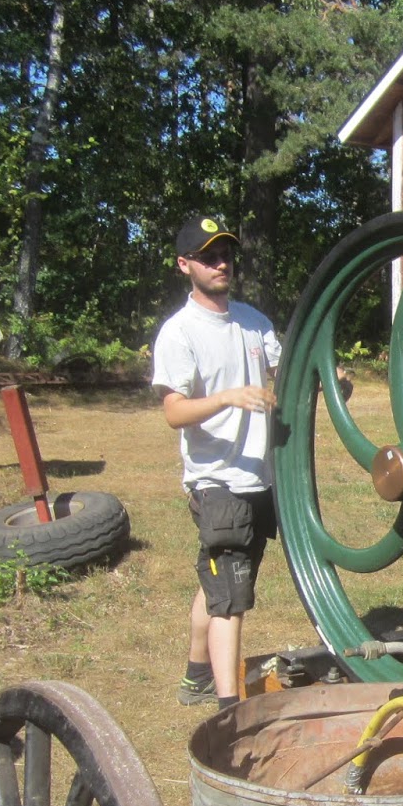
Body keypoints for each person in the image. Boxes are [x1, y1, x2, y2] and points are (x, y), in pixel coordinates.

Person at [152, 215, 280, 711]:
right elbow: (174, 412)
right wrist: (228, 397)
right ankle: (230, 708)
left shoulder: (253, 320)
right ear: (185, 265)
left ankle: (196, 676)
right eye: (208, 256)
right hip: (216, 481)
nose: (221, 262)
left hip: (258, 478)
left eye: (225, 253)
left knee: (223, 581)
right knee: (231, 595)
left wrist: (328, 378)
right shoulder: (179, 333)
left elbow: (281, 373)